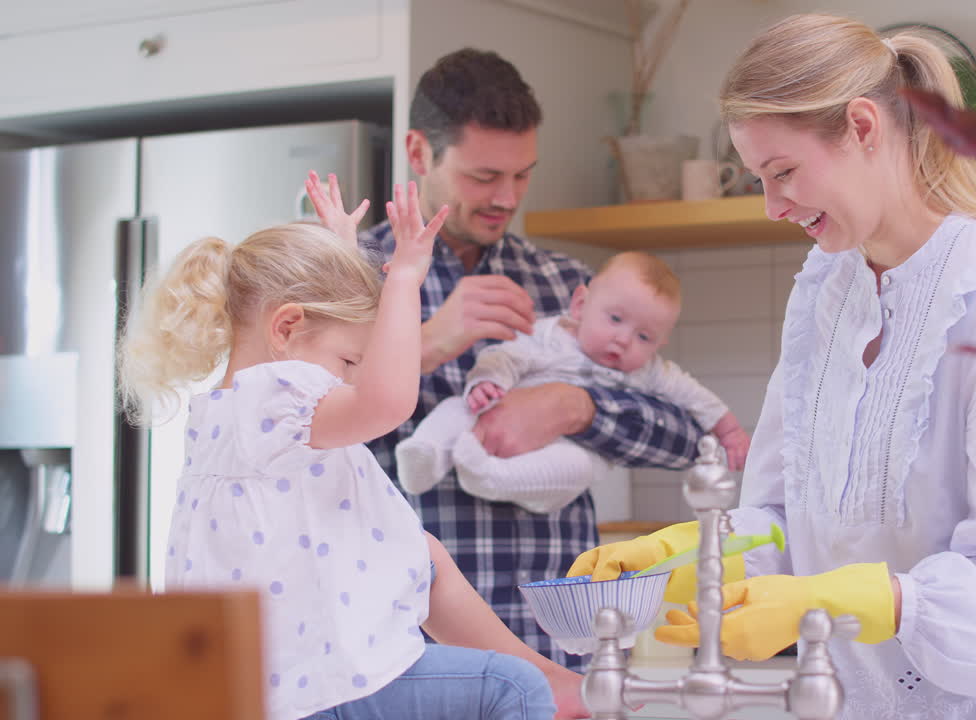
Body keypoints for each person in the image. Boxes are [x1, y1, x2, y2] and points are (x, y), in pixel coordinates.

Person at [569, 14, 976, 720]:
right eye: (758, 178)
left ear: (863, 126)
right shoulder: (825, 293)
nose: (772, 206)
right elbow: (788, 521)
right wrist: (687, 558)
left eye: (782, 172)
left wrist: (836, 598)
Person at [118, 180, 588, 720]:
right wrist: (405, 277)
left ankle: (554, 678)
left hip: (286, 685)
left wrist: (340, 253)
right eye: (347, 362)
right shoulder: (273, 399)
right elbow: (387, 401)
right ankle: (546, 683)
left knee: (419, 554)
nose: (350, 382)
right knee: (513, 689)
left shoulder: (234, 412)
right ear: (287, 326)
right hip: (319, 689)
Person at [356, 48, 705, 671]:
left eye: (522, 175)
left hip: (556, 644)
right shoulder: (347, 279)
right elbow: (292, 428)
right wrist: (430, 341)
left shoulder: (571, 289)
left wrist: (577, 406)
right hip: (395, 641)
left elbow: (687, 438)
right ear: (418, 152)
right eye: (483, 176)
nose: (506, 197)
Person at [394, 250, 752, 513]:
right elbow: (504, 357)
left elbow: (693, 400)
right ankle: (427, 454)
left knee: (580, 467)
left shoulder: (649, 371)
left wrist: (731, 432)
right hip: (489, 416)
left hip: (557, 462)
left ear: (661, 344)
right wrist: (486, 384)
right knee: (455, 408)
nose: (624, 340)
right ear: (580, 304)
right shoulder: (551, 336)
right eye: (614, 319)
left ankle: (488, 474)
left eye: (644, 337)